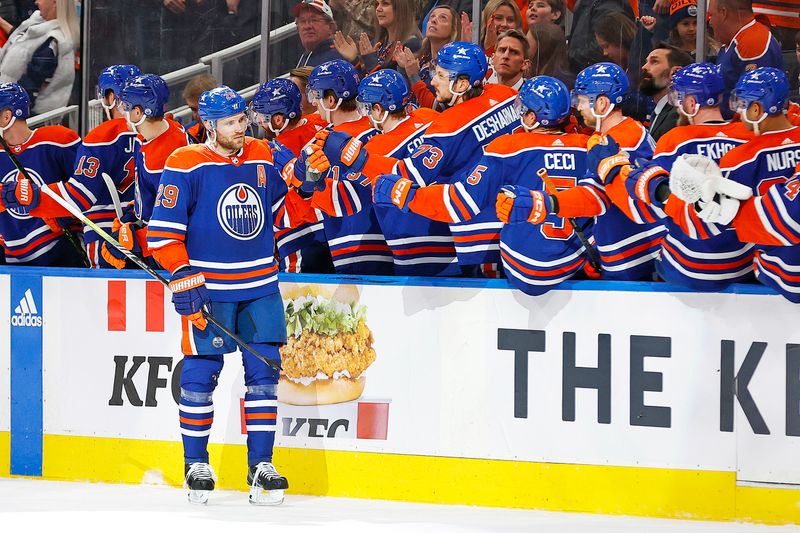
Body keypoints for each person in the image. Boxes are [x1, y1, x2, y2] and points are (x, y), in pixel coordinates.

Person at [146, 86, 300, 506]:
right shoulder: (185, 162)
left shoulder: (263, 154)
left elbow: (284, 207)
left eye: (242, 119)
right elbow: (162, 235)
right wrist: (182, 275)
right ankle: (195, 463)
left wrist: (306, 181)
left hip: (260, 286)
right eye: (230, 122)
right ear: (209, 125)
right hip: (212, 289)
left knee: (265, 375)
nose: (240, 128)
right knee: (199, 377)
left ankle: (261, 465)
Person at [310, 42, 520, 275]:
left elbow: (408, 174)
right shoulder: (505, 95)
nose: (433, 81)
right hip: (516, 219)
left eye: (440, 75)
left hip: (475, 232)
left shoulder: (446, 126)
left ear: (461, 83)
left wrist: (355, 159)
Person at [381, 76, 592, 294]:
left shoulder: (506, 148)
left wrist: (407, 195)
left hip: (519, 269)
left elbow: (459, 202)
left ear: (531, 118)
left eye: (523, 109)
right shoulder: (587, 147)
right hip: (575, 264)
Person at [590, 62, 755, 290]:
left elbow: (648, 209)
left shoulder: (676, 140)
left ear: (690, 102)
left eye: (679, 98)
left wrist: (610, 167)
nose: (677, 106)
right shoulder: (748, 136)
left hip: (691, 266)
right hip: (744, 263)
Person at [666, 68, 800, 301]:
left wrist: (666, 195)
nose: (737, 110)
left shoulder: (742, 157)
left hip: (776, 270)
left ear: (756, 109)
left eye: (742, 103)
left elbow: (706, 221)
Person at [532, 62, 664, 281]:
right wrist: (598, 245)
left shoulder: (619, 141)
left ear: (602, 103)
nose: (578, 107)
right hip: (635, 247)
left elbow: (594, 198)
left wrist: (543, 203)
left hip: (634, 252)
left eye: (582, 100)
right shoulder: (629, 130)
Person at [7, 65, 142, 268]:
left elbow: (78, 196)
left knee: (109, 298)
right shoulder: (171, 133)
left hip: (107, 237)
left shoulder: (101, 138)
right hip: (150, 237)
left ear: (111, 96)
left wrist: (37, 199)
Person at [296, 59, 389, 274]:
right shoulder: (380, 129)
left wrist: (308, 188)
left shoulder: (321, 143)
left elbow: (306, 197)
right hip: (386, 240)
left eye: (315, 96)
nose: (314, 103)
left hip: (351, 243)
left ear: (331, 100)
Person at [99, 74, 190, 269]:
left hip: (166, 250)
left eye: (125, 106)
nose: (121, 112)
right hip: (155, 231)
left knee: (107, 258)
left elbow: (177, 220)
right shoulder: (169, 129)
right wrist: (137, 209)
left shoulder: (164, 161)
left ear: (138, 113)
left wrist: (137, 240)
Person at [249, 78, 330, 274]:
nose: (260, 121)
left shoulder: (269, 151)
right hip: (331, 231)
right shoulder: (323, 127)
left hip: (299, 237)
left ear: (278, 120)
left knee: (302, 301)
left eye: (263, 116)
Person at [0, 83, 84, 266]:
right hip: (7, 256)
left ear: (6, 116)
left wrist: (68, 216)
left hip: (59, 250)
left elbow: (86, 189)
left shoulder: (58, 141)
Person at [0, 0, 79, 114]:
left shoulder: (54, 41)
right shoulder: (34, 23)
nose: (36, 2)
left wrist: (8, 110)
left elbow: (31, 85)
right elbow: (13, 49)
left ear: (55, 2)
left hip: (26, 118)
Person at [708, 0, 783, 119]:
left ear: (723, 12)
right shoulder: (734, 41)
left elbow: (755, 109)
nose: (710, 22)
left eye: (711, 15)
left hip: (744, 132)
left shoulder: (753, 42)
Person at [394, 4, 460, 109]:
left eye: (443, 18)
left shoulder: (454, 66)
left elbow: (438, 109)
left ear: (454, 29)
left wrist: (413, 75)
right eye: (432, 17)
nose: (433, 20)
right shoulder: (421, 60)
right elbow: (405, 98)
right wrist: (403, 69)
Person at [334, 0, 422, 74]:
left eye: (385, 4)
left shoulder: (411, 45)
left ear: (401, 9)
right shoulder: (378, 43)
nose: (378, 9)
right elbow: (364, 83)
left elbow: (390, 87)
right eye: (377, 4)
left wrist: (370, 59)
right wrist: (354, 59)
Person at [640, 44, 693, 141]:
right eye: (646, 62)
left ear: (675, 73)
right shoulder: (660, 111)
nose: (644, 67)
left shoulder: (679, 115)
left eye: (654, 62)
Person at [568, 0, 634, 74]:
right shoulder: (584, 3)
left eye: (605, 46)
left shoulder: (609, 4)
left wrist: (571, 57)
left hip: (600, 73)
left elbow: (607, 39)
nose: (605, 52)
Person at [294, 0, 344, 67]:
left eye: (314, 20)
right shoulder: (305, 57)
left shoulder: (339, 56)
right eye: (302, 21)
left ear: (330, 27)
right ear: (298, 29)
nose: (307, 26)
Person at [527, 21, 573, 88]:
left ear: (542, 47)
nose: (523, 46)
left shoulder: (561, 84)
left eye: (527, 42)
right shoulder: (527, 74)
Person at [182, 73, 219, 144]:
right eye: (193, 109)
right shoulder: (187, 132)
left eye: (202, 109)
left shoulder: (239, 132)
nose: (198, 115)